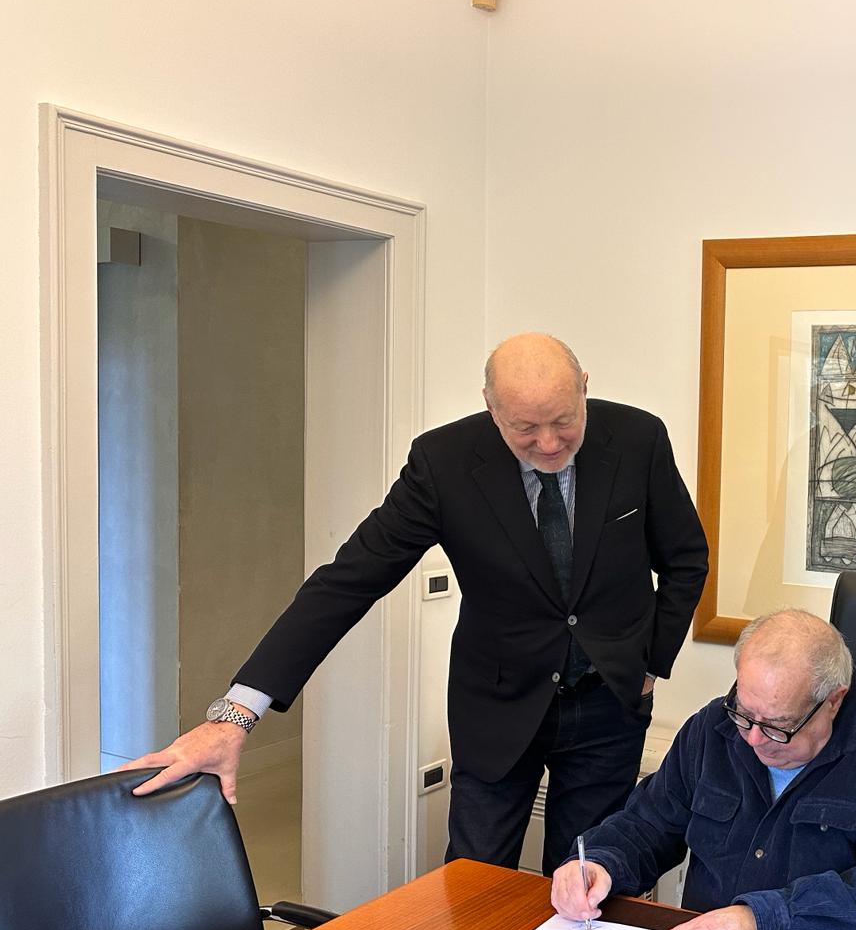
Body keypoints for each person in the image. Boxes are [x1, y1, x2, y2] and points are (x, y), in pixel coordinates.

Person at [123, 333, 709, 873]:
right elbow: (348, 581)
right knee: (475, 881)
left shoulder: (638, 439)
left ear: (584, 387)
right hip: (496, 706)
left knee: (587, 878)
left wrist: (650, 665)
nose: (549, 443)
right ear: (490, 406)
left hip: (608, 705)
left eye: (564, 421)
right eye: (525, 428)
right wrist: (236, 712)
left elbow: (685, 558)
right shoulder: (443, 462)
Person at [549, 608, 856, 930]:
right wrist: (599, 863)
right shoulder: (712, 728)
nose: (753, 739)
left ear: (833, 701)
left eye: (777, 726)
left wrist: (758, 922)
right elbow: (647, 825)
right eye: (744, 713)